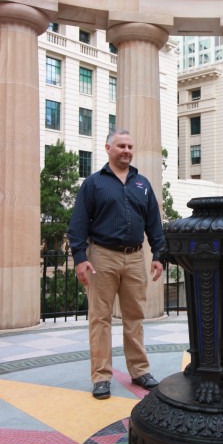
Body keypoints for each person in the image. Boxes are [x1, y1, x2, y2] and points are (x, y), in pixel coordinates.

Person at [67, 129, 165, 400]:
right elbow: (77, 224)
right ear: (108, 148)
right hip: (102, 257)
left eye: (130, 146)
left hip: (135, 257)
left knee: (135, 317)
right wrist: (80, 258)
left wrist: (158, 255)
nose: (126, 151)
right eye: (121, 146)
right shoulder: (94, 183)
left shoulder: (142, 184)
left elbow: (154, 223)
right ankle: (101, 376)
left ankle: (140, 371)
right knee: (101, 318)